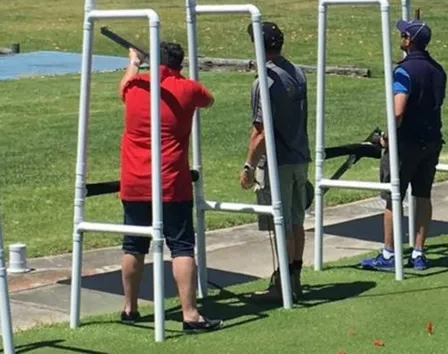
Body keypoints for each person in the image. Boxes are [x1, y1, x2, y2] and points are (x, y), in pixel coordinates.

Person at [119, 42, 222, 333]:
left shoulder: (136, 85)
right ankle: (190, 314)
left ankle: (130, 308)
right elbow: (209, 99)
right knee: (181, 247)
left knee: (133, 245)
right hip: (170, 182)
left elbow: (124, 86)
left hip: (135, 181)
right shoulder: (188, 88)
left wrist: (135, 63)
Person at [361, 19, 446, 272]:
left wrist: (388, 135)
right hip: (431, 141)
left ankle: (389, 254)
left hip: (405, 143)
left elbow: (398, 111)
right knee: (423, 196)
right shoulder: (439, 70)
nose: (400, 37)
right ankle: (418, 252)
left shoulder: (403, 71)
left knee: (393, 198)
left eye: (403, 35)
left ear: (409, 40)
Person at [239, 21, 311, 301]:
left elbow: (260, 132)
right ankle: (293, 278)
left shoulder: (264, 83)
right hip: (299, 156)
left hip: (278, 161)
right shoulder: (299, 73)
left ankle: (283, 283)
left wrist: (248, 166)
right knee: (296, 221)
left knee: (280, 223)